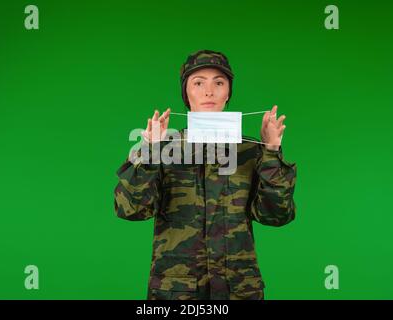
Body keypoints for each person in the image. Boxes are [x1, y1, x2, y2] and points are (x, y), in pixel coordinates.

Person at [114, 50, 297, 300]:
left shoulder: (252, 150)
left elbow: (276, 215)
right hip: (176, 293)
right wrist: (151, 152)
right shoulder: (163, 148)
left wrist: (271, 152)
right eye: (198, 82)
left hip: (239, 290)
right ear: (186, 93)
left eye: (219, 83)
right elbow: (131, 210)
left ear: (228, 92)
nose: (209, 91)